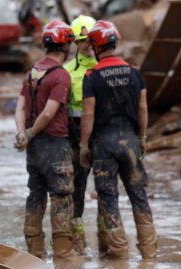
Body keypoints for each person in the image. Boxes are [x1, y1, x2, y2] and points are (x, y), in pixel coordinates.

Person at [79, 20, 158, 260]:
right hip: (131, 142)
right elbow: (143, 108)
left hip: (104, 145)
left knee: (108, 196)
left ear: (96, 45)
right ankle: (149, 251)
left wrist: (84, 145)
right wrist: (142, 138)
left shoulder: (92, 76)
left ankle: (120, 253)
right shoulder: (134, 71)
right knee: (138, 194)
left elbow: (88, 114)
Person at [13, 20, 80, 261]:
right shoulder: (60, 75)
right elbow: (50, 112)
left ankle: (35, 254)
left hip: (34, 149)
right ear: (66, 46)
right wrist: (29, 134)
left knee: (35, 195)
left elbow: (20, 107)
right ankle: (63, 253)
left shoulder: (31, 72)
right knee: (61, 197)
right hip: (54, 145)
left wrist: (23, 134)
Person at [63, 15, 106, 256]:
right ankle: (77, 243)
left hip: (102, 137)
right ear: (75, 43)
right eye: (82, 41)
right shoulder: (67, 71)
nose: (87, 45)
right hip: (75, 138)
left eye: (90, 40)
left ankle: (105, 242)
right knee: (76, 189)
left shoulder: (105, 69)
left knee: (105, 188)